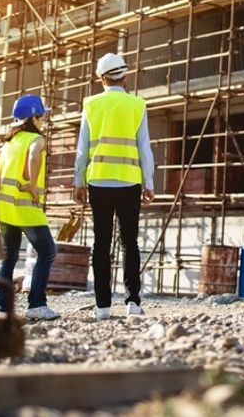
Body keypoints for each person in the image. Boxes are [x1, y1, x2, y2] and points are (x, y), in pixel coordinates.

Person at [74, 52, 155, 319]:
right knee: (129, 242)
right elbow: (144, 146)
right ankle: (133, 302)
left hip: (98, 180)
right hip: (130, 181)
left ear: (101, 78)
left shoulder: (91, 105)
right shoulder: (137, 105)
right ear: (125, 75)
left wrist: (78, 180)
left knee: (101, 243)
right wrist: (149, 180)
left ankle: (102, 307)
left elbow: (82, 147)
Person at [0, 94, 60, 321]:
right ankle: (36, 305)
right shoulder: (37, 140)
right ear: (34, 116)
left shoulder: (9, 142)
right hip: (25, 207)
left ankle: (3, 310)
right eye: (42, 116)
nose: (43, 120)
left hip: (3, 208)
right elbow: (34, 157)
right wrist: (32, 186)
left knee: (8, 258)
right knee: (48, 252)